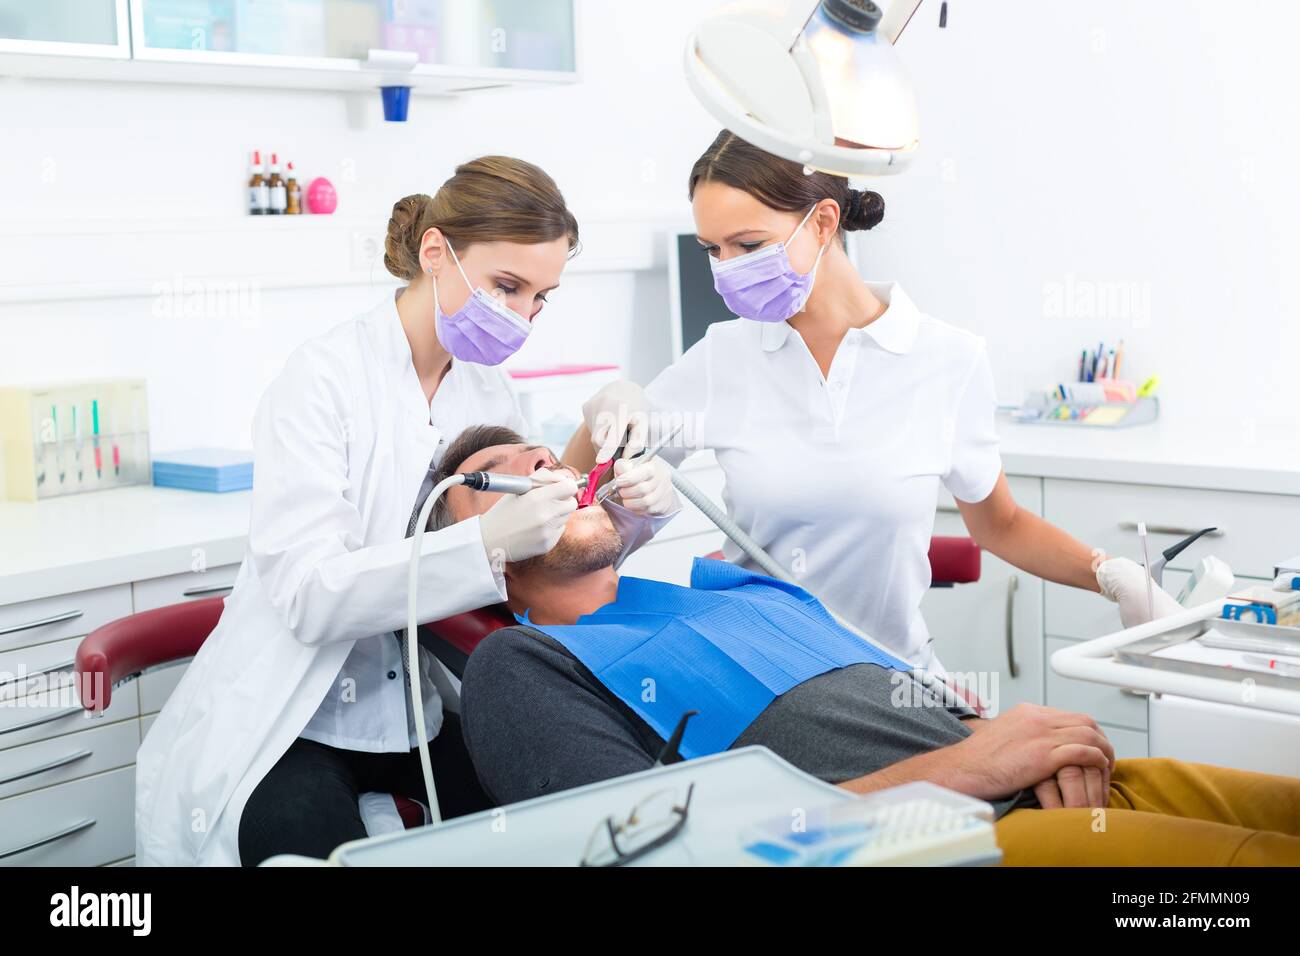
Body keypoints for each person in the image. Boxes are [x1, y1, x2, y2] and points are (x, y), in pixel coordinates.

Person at [134, 157, 679, 867]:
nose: (522, 317)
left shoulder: (486, 388)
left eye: (541, 297)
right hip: (294, 718)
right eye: (506, 287)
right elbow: (310, 596)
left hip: (417, 715)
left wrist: (621, 487)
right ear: (435, 253)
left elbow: (533, 535)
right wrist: (483, 545)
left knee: (539, 840)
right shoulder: (323, 380)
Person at [435, 427, 1300, 865]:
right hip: (928, 839)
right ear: (464, 558)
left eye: (551, 461)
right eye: (504, 482)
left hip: (1030, 782)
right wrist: (959, 773)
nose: (547, 474)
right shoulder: (524, 664)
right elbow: (644, 854)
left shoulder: (719, 581)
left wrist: (1011, 741)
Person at [570, 131, 1180, 670]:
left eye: (748, 245)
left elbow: (1001, 525)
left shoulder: (948, 359)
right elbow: (581, 493)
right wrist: (602, 412)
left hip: (894, 678)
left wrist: (1111, 575)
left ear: (823, 222)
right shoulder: (723, 356)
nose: (725, 270)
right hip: (764, 673)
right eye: (713, 250)